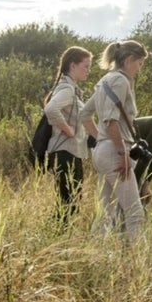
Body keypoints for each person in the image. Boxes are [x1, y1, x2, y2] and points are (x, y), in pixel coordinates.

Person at [80, 40, 150, 242]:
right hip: (115, 152)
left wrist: (101, 140)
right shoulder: (120, 81)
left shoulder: (105, 80)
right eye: (140, 63)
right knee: (134, 212)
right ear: (129, 60)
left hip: (102, 150)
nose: (139, 68)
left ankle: (93, 257)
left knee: (105, 212)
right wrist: (121, 152)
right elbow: (111, 121)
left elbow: (85, 115)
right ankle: (140, 265)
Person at [42, 46, 93, 231]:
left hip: (72, 151)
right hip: (65, 151)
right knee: (68, 201)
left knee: (72, 199)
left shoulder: (72, 89)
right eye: (86, 66)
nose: (88, 70)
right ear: (73, 65)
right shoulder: (67, 89)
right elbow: (50, 109)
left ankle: (58, 235)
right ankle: (56, 236)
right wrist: (68, 130)